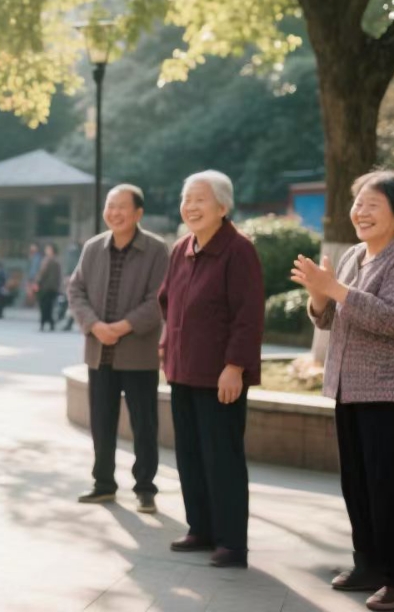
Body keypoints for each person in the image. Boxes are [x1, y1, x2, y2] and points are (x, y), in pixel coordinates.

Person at [294, 171, 394, 612]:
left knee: (389, 486)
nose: (360, 212)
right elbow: (328, 320)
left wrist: (335, 290)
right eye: (358, 203)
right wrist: (318, 297)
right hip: (346, 388)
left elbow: (393, 319)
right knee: (356, 483)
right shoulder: (353, 255)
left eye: (372, 205)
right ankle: (369, 564)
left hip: (388, 392)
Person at [159, 170, 263, 569]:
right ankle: (200, 528)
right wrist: (168, 345)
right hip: (183, 370)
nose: (191, 206)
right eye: (187, 199)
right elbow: (167, 300)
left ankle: (232, 543)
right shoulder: (182, 247)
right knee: (189, 455)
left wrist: (235, 366)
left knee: (223, 458)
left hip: (220, 375)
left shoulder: (239, 250)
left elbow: (248, 315)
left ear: (223, 206)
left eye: (200, 199)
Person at [68, 184, 170, 513]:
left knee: (144, 423)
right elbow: (76, 289)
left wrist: (124, 327)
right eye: (110, 206)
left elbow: (161, 297)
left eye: (122, 206)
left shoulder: (156, 249)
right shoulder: (94, 247)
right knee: (101, 421)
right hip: (99, 351)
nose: (114, 212)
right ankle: (103, 484)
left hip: (138, 353)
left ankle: (145, 488)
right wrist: (95, 326)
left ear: (138, 213)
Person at [36, 243, 63, 331]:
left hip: (45, 287)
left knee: (44, 306)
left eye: (48, 249)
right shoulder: (57, 261)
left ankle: (44, 323)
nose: (46, 250)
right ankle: (50, 323)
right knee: (50, 306)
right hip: (53, 287)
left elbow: (42, 274)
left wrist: (37, 282)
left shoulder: (47, 260)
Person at [26, 242, 43, 306]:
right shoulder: (31, 257)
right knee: (30, 291)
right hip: (30, 276)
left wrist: (37, 276)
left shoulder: (39, 257)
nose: (32, 248)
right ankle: (31, 303)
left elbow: (38, 267)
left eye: (34, 247)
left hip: (35, 277)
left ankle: (35, 303)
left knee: (35, 290)